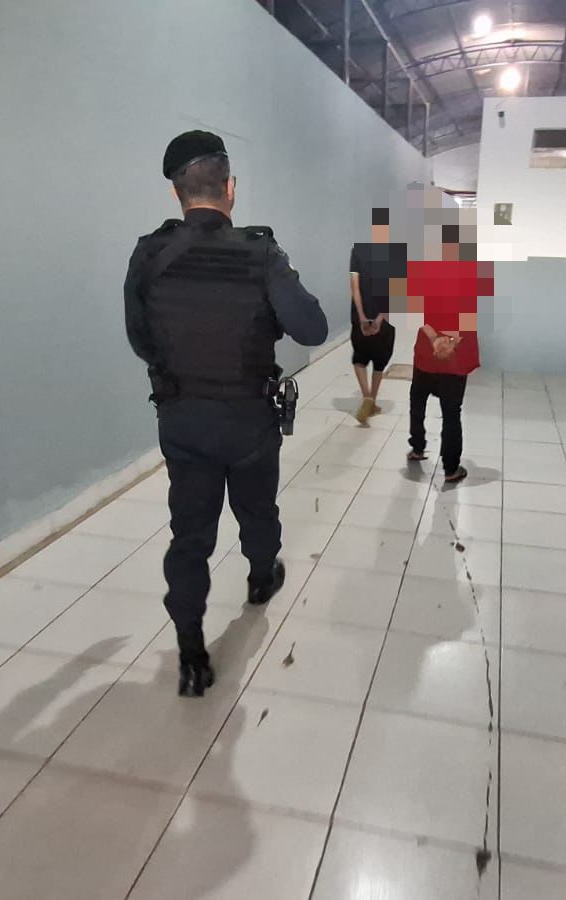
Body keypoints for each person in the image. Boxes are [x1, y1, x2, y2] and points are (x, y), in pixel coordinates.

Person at [124, 130, 329, 697]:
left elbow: (140, 339)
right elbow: (313, 328)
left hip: (183, 419)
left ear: (176, 193)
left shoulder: (150, 254)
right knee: (256, 510)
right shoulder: (261, 253)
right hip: (248, 420)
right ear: (230, 188)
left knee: (189, 536)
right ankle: (261, 579)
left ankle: (192, 655)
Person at [406, 222, 492, 484]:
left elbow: (414, 308)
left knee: (418, 401)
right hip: (454, 359)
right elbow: (472, 313)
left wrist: (434, 338)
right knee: (452, 412)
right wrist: (452, 341)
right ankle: (451, 468)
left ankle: (417, 448)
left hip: (427, 354)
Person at [348, 208, 405, 424]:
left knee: (360, 358)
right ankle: (372, 399)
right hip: (386, 317)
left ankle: (366, 398)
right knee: (380, 361)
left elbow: (354, 287)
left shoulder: (358, 251)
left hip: (359, 314)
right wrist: (381, 318)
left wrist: (362, 316)